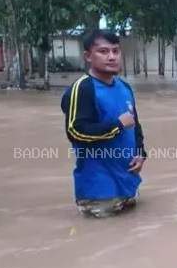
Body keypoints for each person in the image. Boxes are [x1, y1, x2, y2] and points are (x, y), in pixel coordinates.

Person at [60, 29, 146, 218]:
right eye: (103, 51)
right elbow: (76, 131)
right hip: (99, 192)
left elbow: (135, 125)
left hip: (128, 184)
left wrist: (141, 154)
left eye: (115, 51)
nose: (111, 57)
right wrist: (117, 125)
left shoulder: (124, 87)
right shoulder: (82, 89)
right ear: (88, 56)